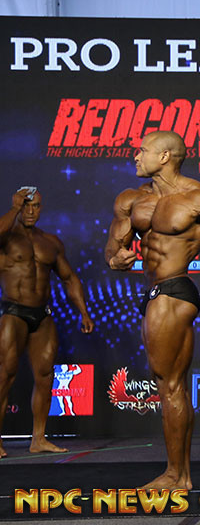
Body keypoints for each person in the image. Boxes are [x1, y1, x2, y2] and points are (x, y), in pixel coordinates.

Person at [105, 131, 200, 490]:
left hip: (174, 290)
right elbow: (112, 247)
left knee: (169, 386)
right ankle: (181, 474)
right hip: (154, 293)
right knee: (175, 388)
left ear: (165, 157)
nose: (135, 156)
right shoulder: (131, 200)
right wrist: (116, 259)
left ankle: (174, 475)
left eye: (142, 151)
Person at [0, 187, 94, 458]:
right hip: (14, 312)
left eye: (36, 206)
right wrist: (14, 208)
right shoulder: (7, 237)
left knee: (45, 376)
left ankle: (38, 439)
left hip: (42, 315)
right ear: (18, 206)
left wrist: (84, 312)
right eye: (26, 205)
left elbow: (69, 278)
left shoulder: (50, 242)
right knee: (5, 374)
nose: (31, 211)